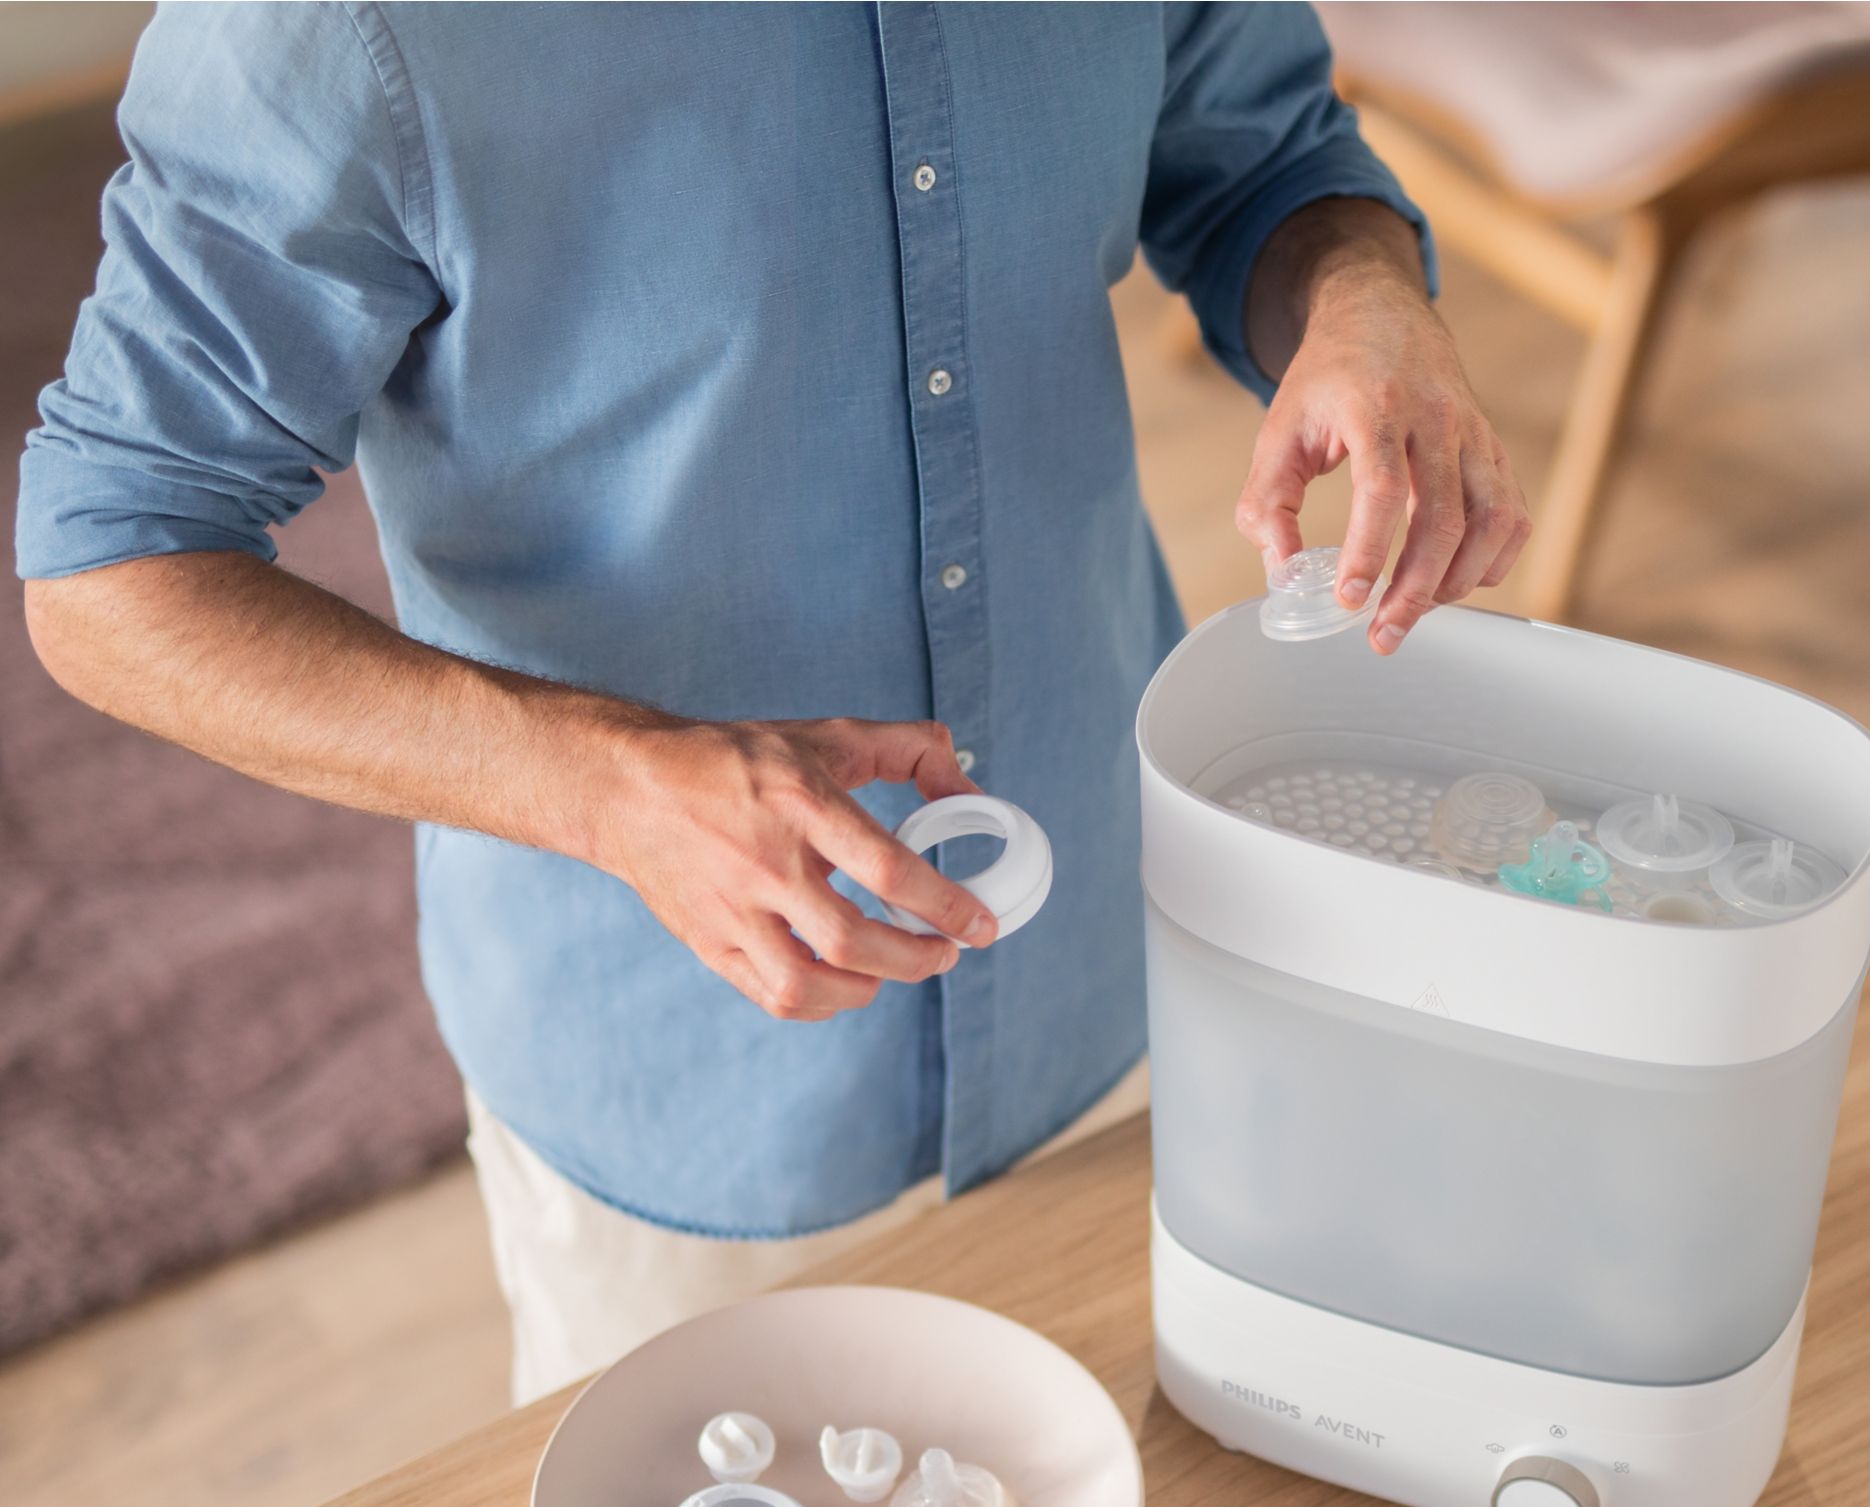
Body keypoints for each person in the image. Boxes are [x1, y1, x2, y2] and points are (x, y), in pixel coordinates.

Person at [18, 2, 1529, 1401]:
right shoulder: (340, 23)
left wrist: (1363, 297)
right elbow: (109, 567)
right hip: (686, 1096)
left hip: (1110, 981)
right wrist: (614, 782)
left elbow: (1260, 158)